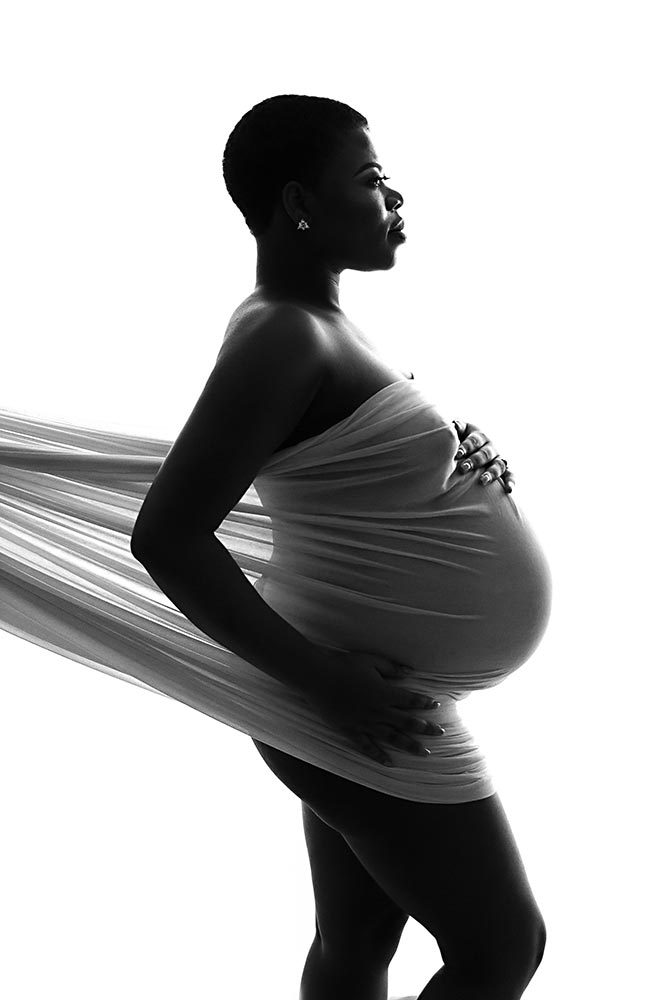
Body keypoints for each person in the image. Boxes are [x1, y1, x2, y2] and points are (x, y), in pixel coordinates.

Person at [130, 95, 552, 1000]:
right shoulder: (282, 334)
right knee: (501, 948)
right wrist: (321, 678)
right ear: (297, 202)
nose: (393, 195)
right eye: (367, 178)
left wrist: (455, 461)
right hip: (349, 700)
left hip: (361, 699)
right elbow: (167, 534)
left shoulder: (316, 326)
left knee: (355, 943)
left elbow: (339, 473)